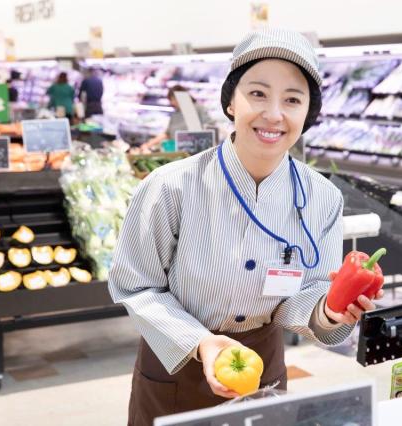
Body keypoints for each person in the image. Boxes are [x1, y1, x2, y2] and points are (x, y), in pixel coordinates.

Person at [108, 28, 384, 425]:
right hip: (176, 366)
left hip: (262, 367)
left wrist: (327, 312)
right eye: (258, 94)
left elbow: (307, 292)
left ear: (308, 113)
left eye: (292, 99)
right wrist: (201, 343)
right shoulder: (171, 186)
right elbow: (135, 284)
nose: (274, 114)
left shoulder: (322, 199)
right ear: (231, 102)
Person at [139, 85, 213, 152]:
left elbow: (209, 128)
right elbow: (167, 134)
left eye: (172, 99)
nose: (172, 103)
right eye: (171, 100)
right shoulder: (175, 114)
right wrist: (148, 145)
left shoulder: (196, 109)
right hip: (179, 153)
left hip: (196, 153)